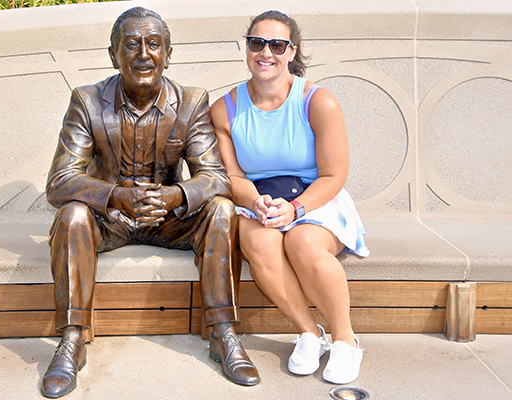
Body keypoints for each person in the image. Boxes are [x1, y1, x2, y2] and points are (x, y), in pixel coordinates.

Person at [41, 7, 260, 398]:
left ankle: (223, 333)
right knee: (72, 214)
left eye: (154, 43)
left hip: (168, 218)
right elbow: (60, 181)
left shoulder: (191, 103)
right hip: (111, 218)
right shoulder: (88, 102)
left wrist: (176, 195)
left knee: (222, 210)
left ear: (168, 52)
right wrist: (117, 196)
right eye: (131, 44)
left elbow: (217, 178)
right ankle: (72, 338)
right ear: (113, 55)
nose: (144, 53)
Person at [210, 10, 369, 385]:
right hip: (257, 201)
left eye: (277, 44)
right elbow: (231, 175)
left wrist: (297, 208)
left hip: (315, 197)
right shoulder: (224, 109)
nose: (266, 52)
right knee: (261, 244)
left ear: (291, 50)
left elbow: (334, 174)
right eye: (256, 43)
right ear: (247, 48)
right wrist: (255, 201)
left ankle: (345, 339)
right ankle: (309, 333)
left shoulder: (318, 100)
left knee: (303, 242)